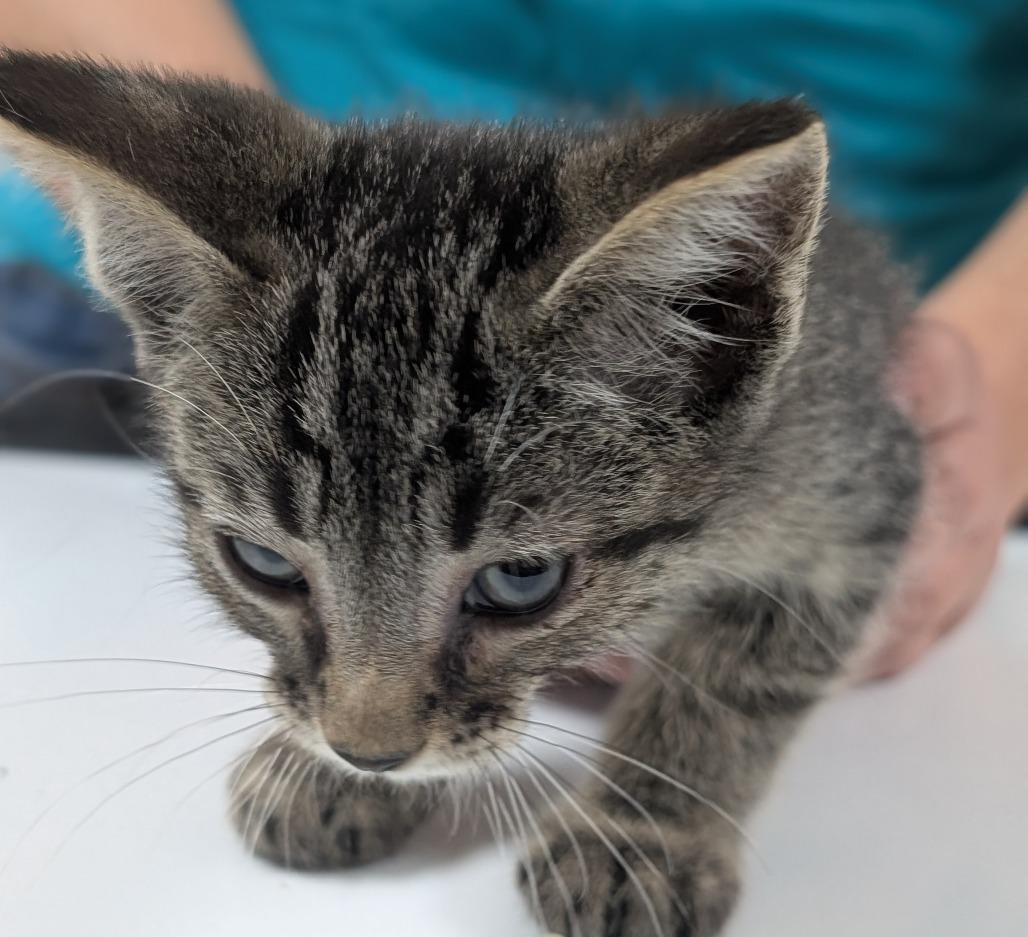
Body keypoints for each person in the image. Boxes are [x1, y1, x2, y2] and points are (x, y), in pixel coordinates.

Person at [1, 0, 1026, 678]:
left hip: (897, 287)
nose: (370, 730)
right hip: (225, 249)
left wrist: (990, 394)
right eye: (267, 563)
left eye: (513, 578)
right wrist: (266, 307)